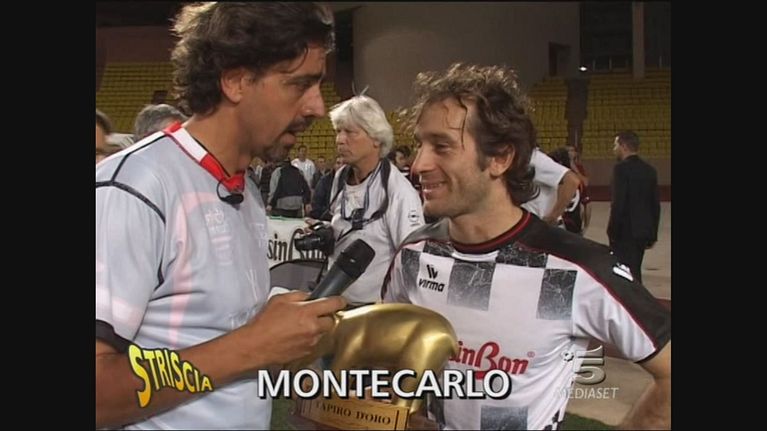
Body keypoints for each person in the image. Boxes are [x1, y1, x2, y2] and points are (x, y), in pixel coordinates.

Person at [95, 3, 346, 429]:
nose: (317, 107)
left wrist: (275, 337)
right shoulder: (134, 188)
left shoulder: (245, 190)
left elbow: (215, 343)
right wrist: (253, 344)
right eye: (299, 84)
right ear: (235, 81)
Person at [383, 63, 670, 430]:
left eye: (442, 146)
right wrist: (404, 416)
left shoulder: (578, 268)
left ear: (500, 158)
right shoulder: (413, 255)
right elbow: (390, 356)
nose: (419, 164)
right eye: (420, 145)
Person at [318, 95, 425, 306]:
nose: (340, 140)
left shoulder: (398, 191)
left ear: (376, 138)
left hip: (374, 310)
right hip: (336, 303)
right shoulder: (340, 177)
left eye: (350, 132)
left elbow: (412, 261)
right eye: (338, 131)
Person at [607, 130, 661, 285]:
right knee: (635, 269)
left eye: (616, 145)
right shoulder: (649, 170)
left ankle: (632, 299)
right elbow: (655, 205)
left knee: (625, 274)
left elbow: (619, 202)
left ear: (624, 146)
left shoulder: (620, 169)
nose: (614, 149)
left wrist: (612, 230)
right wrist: (653, 233)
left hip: (625, 231)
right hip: (643, 231)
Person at [521, 145, 581, 226]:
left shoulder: (534, 159)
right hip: (526, 224)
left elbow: (571, 180)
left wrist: (553, 217)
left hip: (541, 225)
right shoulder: (518, 160)